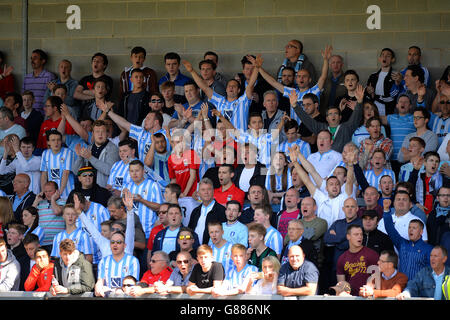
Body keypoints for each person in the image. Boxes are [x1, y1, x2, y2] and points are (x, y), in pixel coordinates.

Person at [182, 57, 258, 132]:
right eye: (229, 86)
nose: (231, 87)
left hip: (238, 141)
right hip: (221, 141)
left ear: (238, 90)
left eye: (234, 86)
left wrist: (257, 68)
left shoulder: (243, 101)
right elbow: (205, 88)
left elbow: (250, 85)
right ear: (226, 89)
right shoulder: (220, 101)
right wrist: (191, 71)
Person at [290, 82, 365, 153]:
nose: (333, 115)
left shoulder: (346, 128)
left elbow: (355, 118)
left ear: (340, 117)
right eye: (330, 114)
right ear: (326, 118)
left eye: (335, 113)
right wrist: (295, 106)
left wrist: (359, 102)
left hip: (341, 162)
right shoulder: (321, 128)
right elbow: (307, 120)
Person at [382, 204, 432, 281]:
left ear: (421, 231)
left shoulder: (428, 249)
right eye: (409, 227)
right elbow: (390, 229)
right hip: (400, 287)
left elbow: (431, 273)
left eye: (414, 228)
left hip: (418, 290)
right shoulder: (402, 244)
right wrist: (386, 210)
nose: (410, 230)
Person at [122, 159, 163, 240]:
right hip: (130, 234)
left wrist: (142, 200)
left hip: (148, 233)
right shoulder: (126, 187)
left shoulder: (153, 185)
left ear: (143, 171)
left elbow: (159, 208)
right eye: (131, 171)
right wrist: (123, 198)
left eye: (137, 170)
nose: (134, 174)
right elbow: (122, 209)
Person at [73, 120, 120, 188]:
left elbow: (109, 170)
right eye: (97, 131)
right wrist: (80, 156)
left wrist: (90, 158)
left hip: (104, 190)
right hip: (88, 189)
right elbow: (76, 172)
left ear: (107, 133)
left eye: (103, 131)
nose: (100, 134)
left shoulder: (113, 148)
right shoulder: (89, 148)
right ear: (93, 133)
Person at [336, 225, 379, 296]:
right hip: (350, 297)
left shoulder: (372, 255)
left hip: (367, 296)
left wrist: (369, 291)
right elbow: (341, 284)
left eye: (361, 234)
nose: (360, 237)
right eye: (356, 234)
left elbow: (378, 281)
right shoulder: (342, 258)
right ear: (348, 236)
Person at [95, 231, 140, 297]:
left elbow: (131, 286)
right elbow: (99, 282)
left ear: (124, 245)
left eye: (118, 242)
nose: (115, 245)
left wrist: (111, 291)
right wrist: (98, 289)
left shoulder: (133, 261)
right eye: (112, 242)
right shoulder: (103, 261)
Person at [188, 178, 227, 245]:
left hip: (212, 249)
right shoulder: (195, 211)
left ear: (213, 191)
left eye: (209, 189)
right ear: (198, 193)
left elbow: (224, 233)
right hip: (195, 250)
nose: (206, 192)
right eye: (203, 190)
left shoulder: (221, 210)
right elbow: (189, 231)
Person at [40, 129, 75, 199]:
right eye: (53, 140)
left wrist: (59, 193)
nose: (56, 142)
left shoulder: (67, 152)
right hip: (51, 194)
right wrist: (44, 192)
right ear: (48, 142)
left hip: (66, 192)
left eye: (58, 140)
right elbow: (44, 175)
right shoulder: (45, 153)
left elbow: (66, 173)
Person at [31, 181, 65, 252]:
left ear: (57, 191)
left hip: (56, 241)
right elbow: (30, 216)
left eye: (50, 191)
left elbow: (57, 212)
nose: (47, 194)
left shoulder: (63, 201)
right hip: (41, 241)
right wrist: (36, 201)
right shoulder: (40, 203)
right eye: (45, 191)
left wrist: (53, 199)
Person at [365, 48, 400, 116]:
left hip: (389, 109)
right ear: (380, 58)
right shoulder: (373, 76)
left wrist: (397, 83)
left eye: (388, 56)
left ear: (393, 59)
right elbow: (367, 94)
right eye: (383, 55)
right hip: (373, 108)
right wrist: (369, 91)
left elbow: (395, 95)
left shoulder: (396, 75)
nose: (385, 57)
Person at [22, 49, 56, 114]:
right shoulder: (27, 77)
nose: (32, 61)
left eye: (35, 58)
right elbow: (23, 96)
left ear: (43, 61)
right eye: (31, 58)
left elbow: (52, 97)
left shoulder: (49, 76)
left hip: (44, 114)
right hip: (28, 114)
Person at [6, 223, 29, 290]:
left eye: (13, 233)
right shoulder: (5, 252)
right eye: (9, 232)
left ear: (20, 236)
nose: (9, 235)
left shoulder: (25, 255)